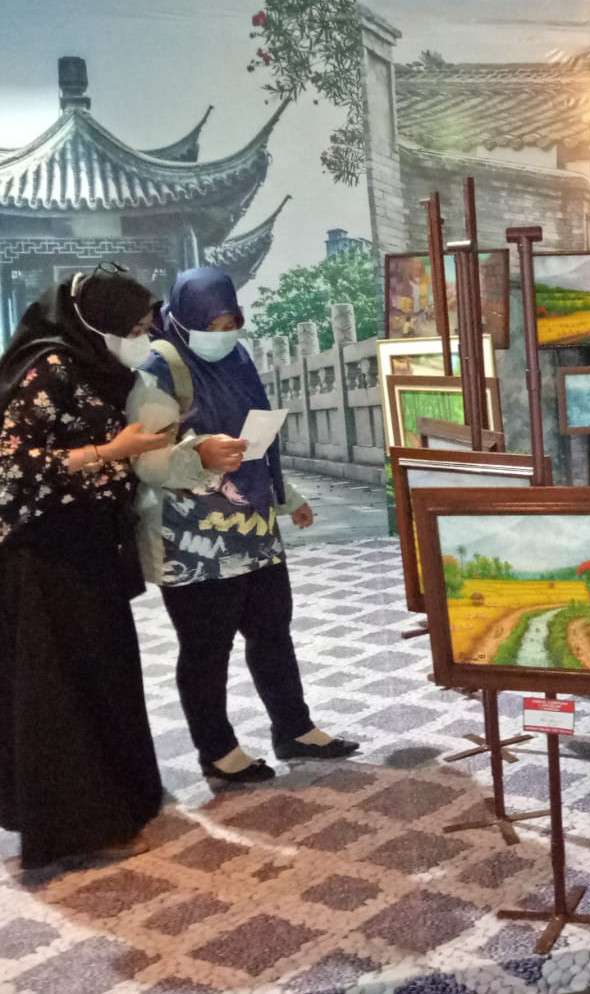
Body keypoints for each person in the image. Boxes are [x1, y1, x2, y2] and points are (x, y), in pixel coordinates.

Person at [136, 267, 357, 785]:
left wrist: (287, 497)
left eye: (232, 322)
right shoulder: (158, 368)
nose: (224, 333)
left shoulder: (237, 358)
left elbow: (255, 441)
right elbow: (144, 460)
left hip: (254, 527)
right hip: (192, 540)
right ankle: (217, 749)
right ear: (184, 319)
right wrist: (199, 454)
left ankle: (294, 728)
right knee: (207, 647)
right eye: (212, 324)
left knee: (272, 632)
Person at [0, 265, 170, 868]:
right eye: (135, 329)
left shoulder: (96, 368)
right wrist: (110, 451)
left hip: (90, 546)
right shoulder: (48, 367)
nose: (142, 339)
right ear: (98, 321)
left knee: (105, 675)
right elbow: (12, 466)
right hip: (47, 553)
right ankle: (79, 827)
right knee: (63, 690)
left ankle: (120, 801)